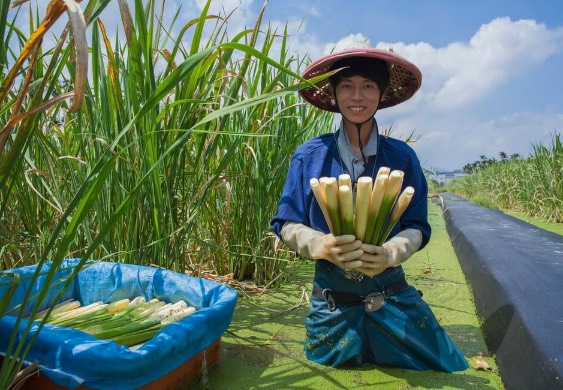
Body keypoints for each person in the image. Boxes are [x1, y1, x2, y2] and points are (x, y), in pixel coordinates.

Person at [270, 46, 469, 372]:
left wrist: (392, 251)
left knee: (448, 365)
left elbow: (418, 225)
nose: (357, 95)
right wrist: (320, 245)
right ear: (334, 93)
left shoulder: (401, 158)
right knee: (326, 368)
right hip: (332, 301)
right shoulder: (310, 156)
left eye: (368, 86)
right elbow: (285, 223)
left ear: (380, 94)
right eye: (347, 85)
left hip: (391, 296)